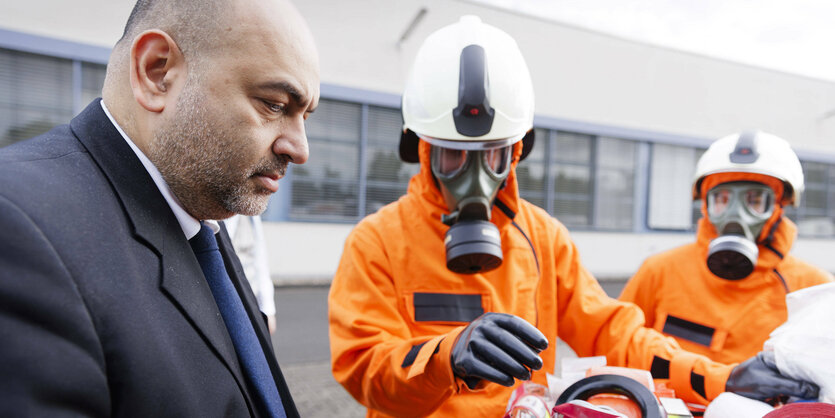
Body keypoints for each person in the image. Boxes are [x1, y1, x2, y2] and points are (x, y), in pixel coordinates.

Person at [327, 16, 818, 417]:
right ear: (422, 149)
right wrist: (446, 356)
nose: (474, 175)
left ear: (518, 151)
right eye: (453, 156)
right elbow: (364, 369)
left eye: (493, 155)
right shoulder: (378, 241)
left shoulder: (542, 238)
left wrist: (723, 377)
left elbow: (614, 334)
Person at [0, 0, 318, 416]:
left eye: (305, 116)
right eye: (274, 105)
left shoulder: (200, 216)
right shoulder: (18, 225)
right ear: (156, 73)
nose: (301, 150)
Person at [620, 131, 833, 364]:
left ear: (779, 206)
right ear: (705, 204)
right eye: (721, 199)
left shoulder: (814, 289)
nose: (736, 215)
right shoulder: (659, 272)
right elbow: (619, 346)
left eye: (754, 201)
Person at [227, 214, 278, 334]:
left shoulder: (252, 215)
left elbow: (260, 260)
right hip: (229, 301)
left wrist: (267, 309)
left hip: (250, 299)